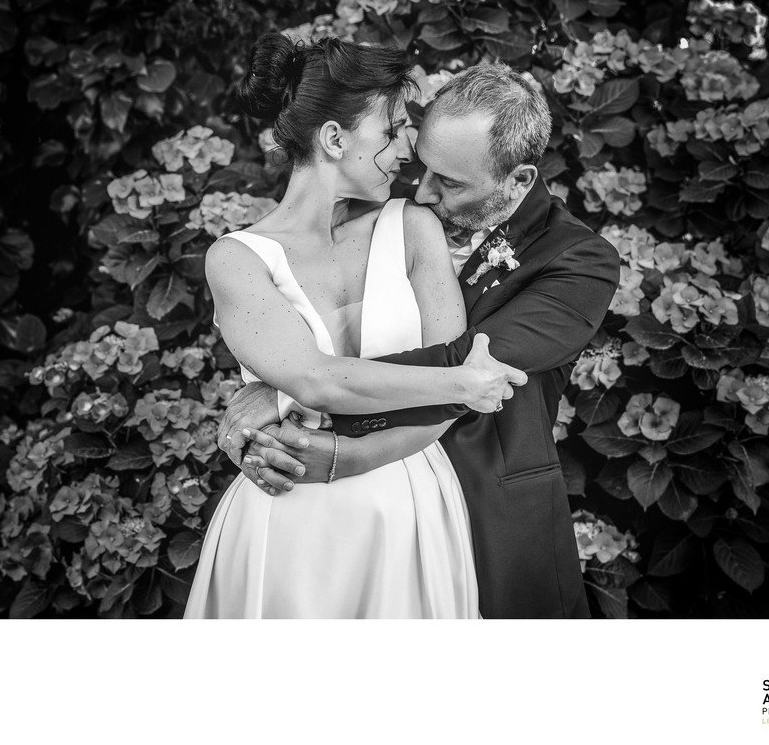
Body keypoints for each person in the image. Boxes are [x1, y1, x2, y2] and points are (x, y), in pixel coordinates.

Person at [220, 64, 622, 619]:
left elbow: (466, 366)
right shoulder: (380, 218)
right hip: (341, 519)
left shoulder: (579, 262)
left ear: (519, 180)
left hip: (487, 515)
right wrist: (288, 374)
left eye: (451, 183)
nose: (424, 193)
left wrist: (295, 389)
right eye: (423, 168)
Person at [183, 35, 527, 619]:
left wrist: (343, 441)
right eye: (392, 128)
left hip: (410, 501)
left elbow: (441, 398)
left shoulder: (414, 227)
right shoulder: (237, 258)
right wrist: (464, 386)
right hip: (288, 507)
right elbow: (319, 382)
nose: (408, 145)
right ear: (336, 139)